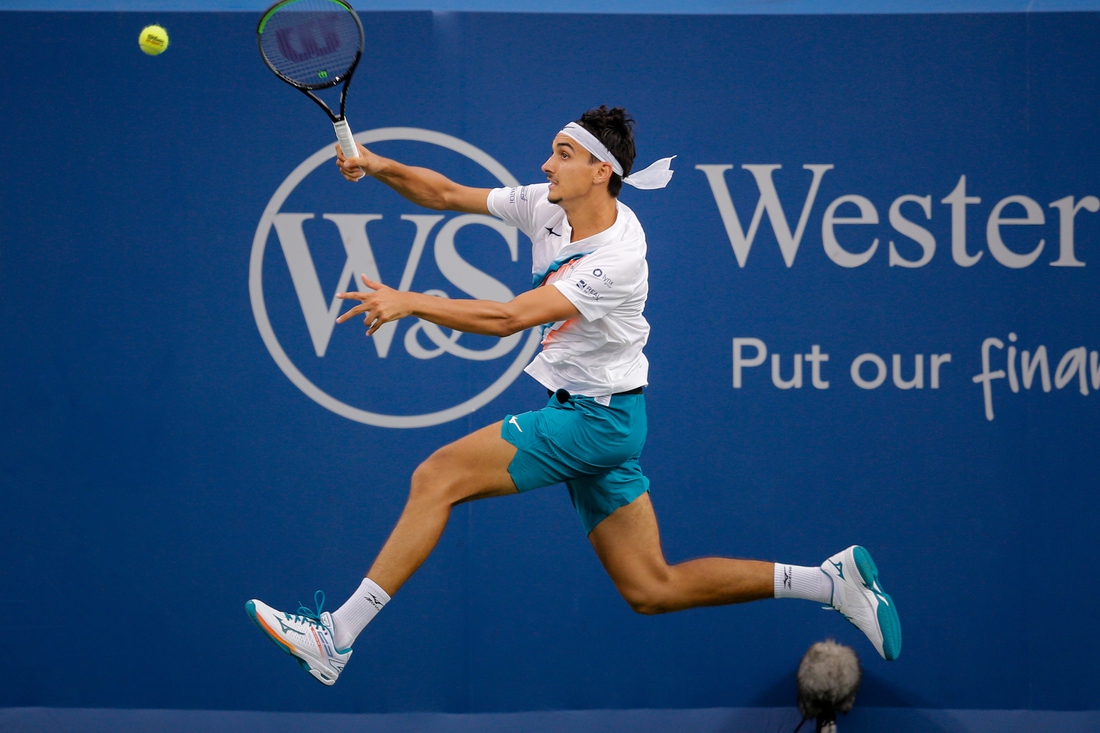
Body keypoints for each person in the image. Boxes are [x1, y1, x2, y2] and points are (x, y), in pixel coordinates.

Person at [245, 106, 901, 686]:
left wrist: (409, 300)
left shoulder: (617, 255)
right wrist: (379, 163)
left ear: (600, 172)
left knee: (436, 474)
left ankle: (337, 634)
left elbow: (510, 318)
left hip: (595, 420)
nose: (545, 163)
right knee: (651, 586)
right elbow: (445, 192)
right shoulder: (549, 205)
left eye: (563, 154)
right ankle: (829, 580)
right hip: (611, 416)